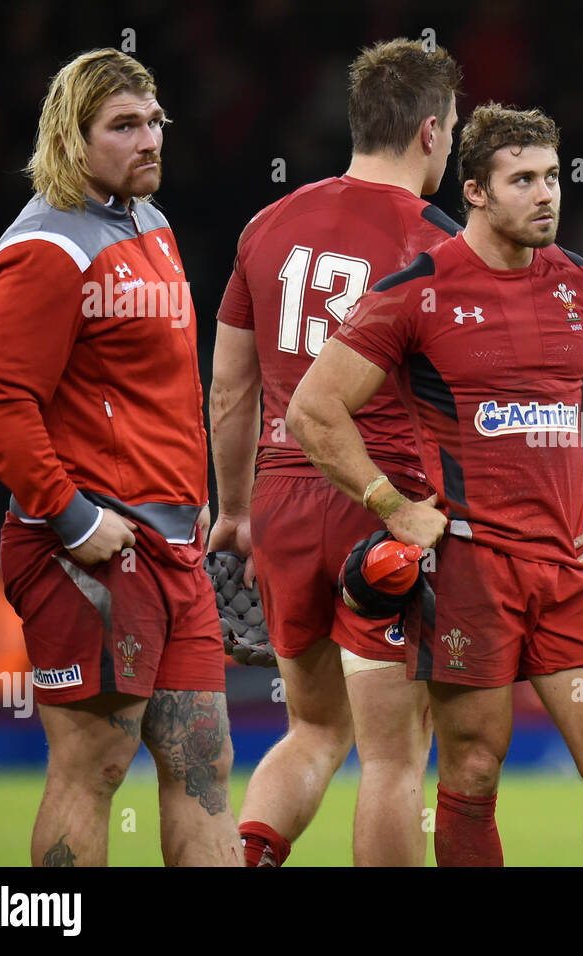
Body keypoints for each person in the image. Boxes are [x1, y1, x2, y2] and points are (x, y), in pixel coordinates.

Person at [288, 102, 583, 866]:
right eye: (522, 179)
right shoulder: (417, 291)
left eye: (553, 177)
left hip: (572, 566)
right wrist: (390, 505)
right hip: (469, 572)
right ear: (475, 192)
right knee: (470, 768)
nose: (546, 194)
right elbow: (313, 408)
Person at [0, 49, 240, 866]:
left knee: (205, 766)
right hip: (86, 549)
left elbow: (161, 389)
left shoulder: (152, 226)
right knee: (94, 768)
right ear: (72, 138)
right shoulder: (46, 249)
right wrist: (75, 519)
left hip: (171, 548)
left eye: (154, 121)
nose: (150, 138)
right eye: (124, 126)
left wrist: (198, 499)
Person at [208, 38, 462, 867]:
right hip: (381, 503)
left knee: (313, 729)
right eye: (453, 126)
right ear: (430, 131)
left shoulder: (265, 225)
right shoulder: (438, 240)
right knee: (394, 755)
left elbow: (229, 391)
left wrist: (236, 511)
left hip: (280, 503)